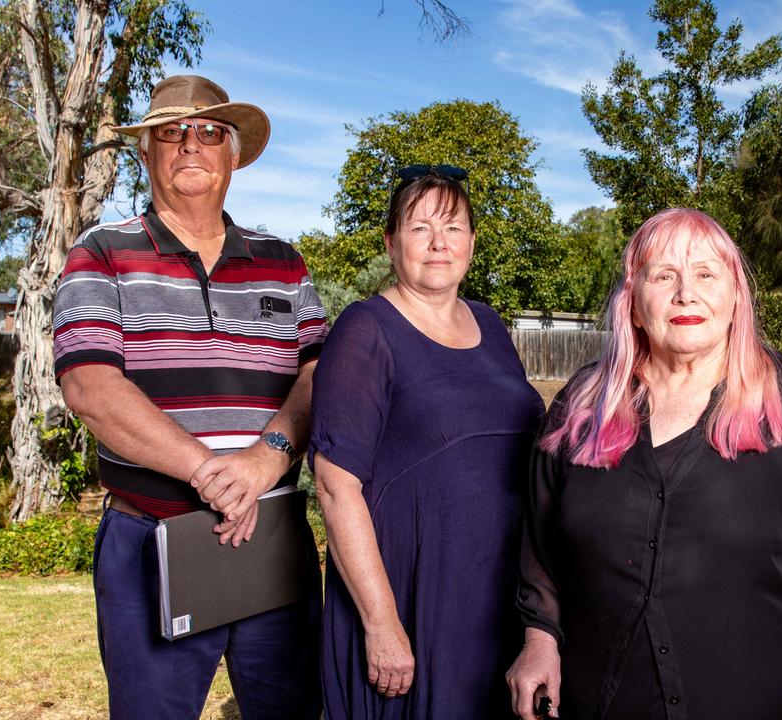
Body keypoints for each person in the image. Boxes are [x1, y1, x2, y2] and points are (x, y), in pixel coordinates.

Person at [505, 208, 782, 720]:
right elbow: (540, 550)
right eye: (664, 275)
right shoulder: (581, 406)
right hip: (606, 699)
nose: (686, 292)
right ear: (635, 305)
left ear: (735, 297)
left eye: (706, 274)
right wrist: (540, 638)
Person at [53, 74, 327, 719]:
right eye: (171, 133)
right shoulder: (100, 254)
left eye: (209, 132)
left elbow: (319, 374)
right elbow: (90, 387)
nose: (190, 145)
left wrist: (266, 459)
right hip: (152, 539)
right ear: (147, 152)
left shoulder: (282, 262)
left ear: (234, 155)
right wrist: (208, 472)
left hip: (273, 542)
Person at [310, 165, 544, 718]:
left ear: (472, 242)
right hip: (413, 602)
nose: (439, 243)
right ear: (391, 243)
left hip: (493, 598)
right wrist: (382, 622)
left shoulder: (492, 326)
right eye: (420, 229)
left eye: (454, 227)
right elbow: (334, 485)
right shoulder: (366, 330)